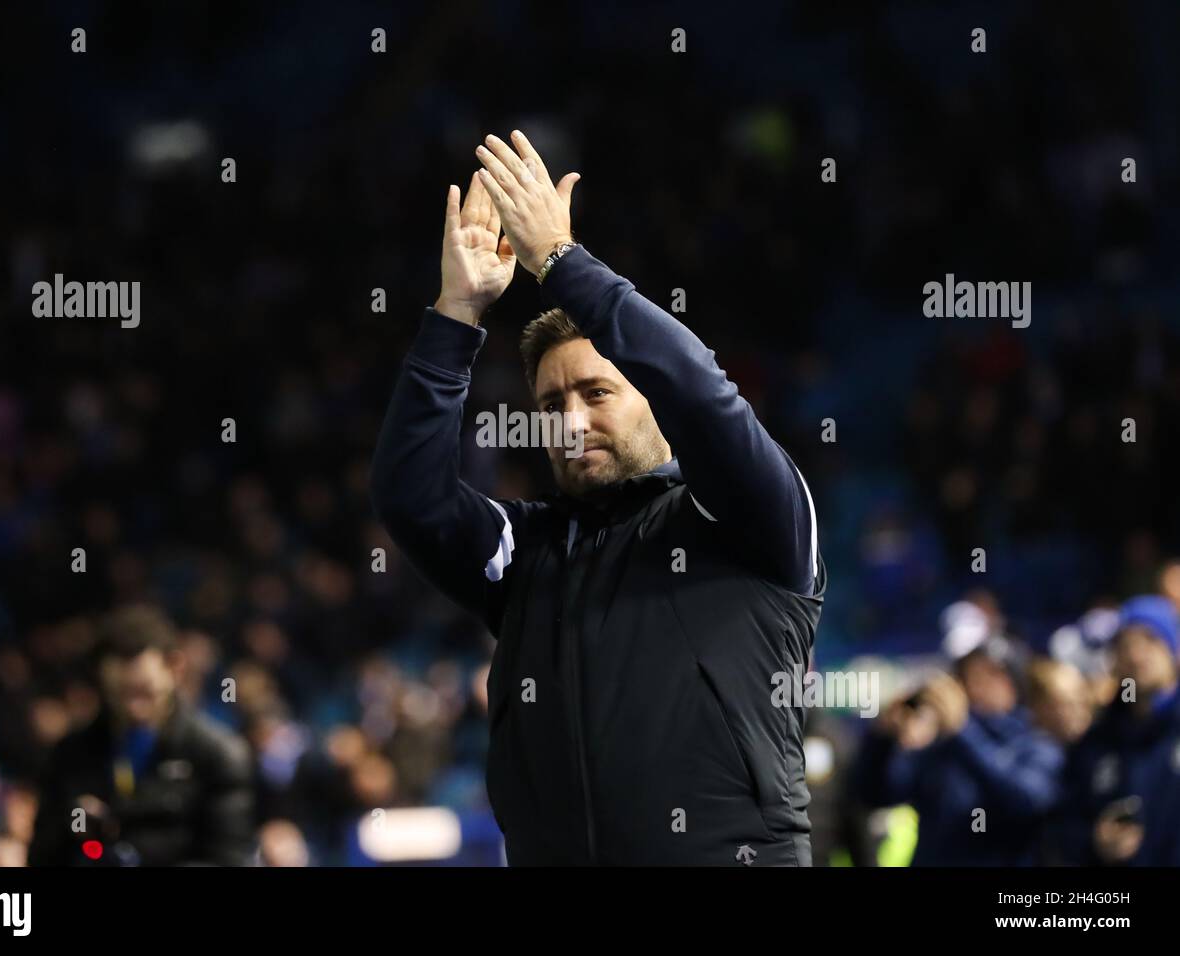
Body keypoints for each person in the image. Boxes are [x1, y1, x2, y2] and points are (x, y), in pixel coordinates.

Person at [370, 131, 824, 865]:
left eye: (597, 392)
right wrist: (456, 313)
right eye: (551, 404)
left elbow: (704, 396)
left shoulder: (745, 517)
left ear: (651, 397)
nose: (571, 421)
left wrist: (561, 262)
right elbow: (407, 496)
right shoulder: (528, 551)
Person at [28, 605, 255, 865]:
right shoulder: (70, 755)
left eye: (145, 692)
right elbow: (41, 857)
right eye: (121, 693)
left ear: (175, 668)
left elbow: (229, 859)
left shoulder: (218, 754)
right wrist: (73, 829)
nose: (133, 707)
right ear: (102, 677)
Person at [854, 636, 1062, 865]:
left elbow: (1026, 802)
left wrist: (962, 730)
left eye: (992, 674)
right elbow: (875, 794)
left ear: (1015, 684)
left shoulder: (1036, 744)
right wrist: (882, 739)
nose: (977, 685)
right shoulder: (942, 745)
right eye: (969, 675)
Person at [1053, 596, 1180, 865]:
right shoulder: (1096, 742)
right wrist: (1095, 842)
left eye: (1150, 639)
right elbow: (1064, 827)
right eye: (1124, 644)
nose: (1135, 654)